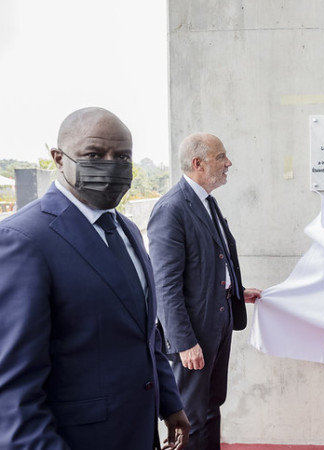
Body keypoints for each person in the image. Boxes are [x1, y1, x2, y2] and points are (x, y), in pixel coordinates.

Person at [0, 107, 189, 449]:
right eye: (94, 154)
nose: (111, 164)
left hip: (139, 432)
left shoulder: (128, 229)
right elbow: (13, 395)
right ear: (58, 158)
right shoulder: (22, 240)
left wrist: (169, 401)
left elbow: (145, 333)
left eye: (122, 156)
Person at [148, 133, 262, 450]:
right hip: (194, 334)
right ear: (198, 163)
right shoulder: (171, 209)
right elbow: (164, 284)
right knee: (190, 418)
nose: (228, 163)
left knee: (211, 408)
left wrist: (235, 290)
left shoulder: (206, 203)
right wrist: (185, 342)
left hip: (218, 322)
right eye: (221, 157)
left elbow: (213, 260)